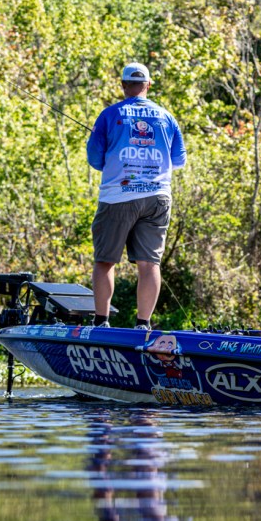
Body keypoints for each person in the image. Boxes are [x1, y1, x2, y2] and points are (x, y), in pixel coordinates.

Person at [87, 63, 187, 329]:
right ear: (148, 85)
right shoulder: (166, 117)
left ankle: (101, 322)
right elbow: (179, 159)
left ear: (123, 85)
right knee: (149, 263)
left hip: (117, 196)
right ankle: (143, 324)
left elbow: (94, 158)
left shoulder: (109, 115)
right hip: (158, 198)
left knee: (105, 261)